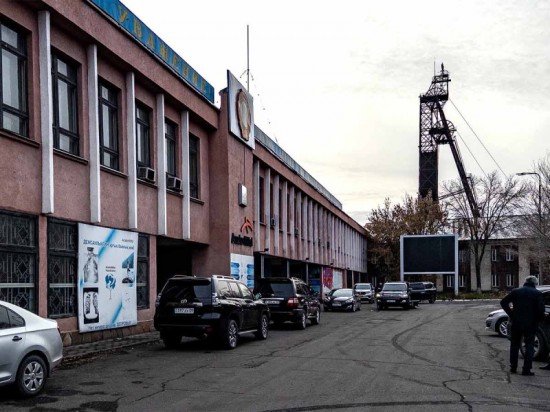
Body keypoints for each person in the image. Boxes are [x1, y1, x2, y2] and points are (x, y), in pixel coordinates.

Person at [500, 275, 545, 376]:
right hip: (531, 324)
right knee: (529, 346)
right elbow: (541, 310)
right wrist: (538, 320)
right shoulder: (537, 294)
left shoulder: (516, 291)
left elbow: (503, 302)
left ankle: (513, 366)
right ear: (535, 283)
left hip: (516, 322)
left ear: (525, 282)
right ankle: (526, 369)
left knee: (514, 344)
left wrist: (511, 314)